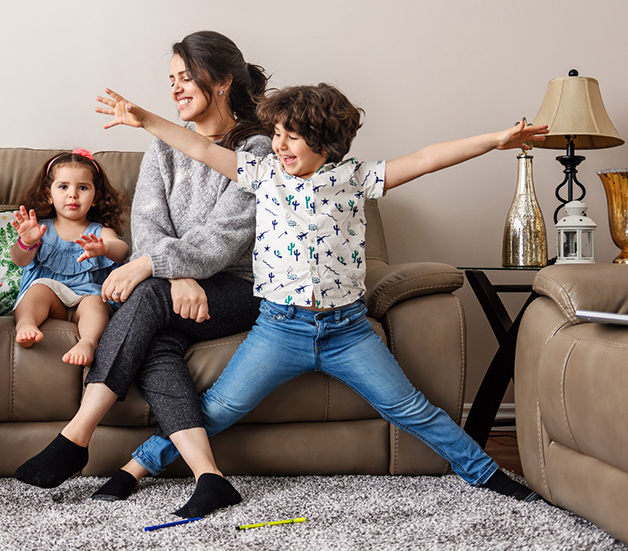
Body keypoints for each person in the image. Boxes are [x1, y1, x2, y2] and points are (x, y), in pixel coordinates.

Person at [94, 83, 548, 503]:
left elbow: (428, 157)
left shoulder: (357, 178)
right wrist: (144, 118)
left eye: (292, 137)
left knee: (410, 408)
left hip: (347, 331)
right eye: (277, 134)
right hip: (279, 329)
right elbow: (199, 147)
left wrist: (495, 140)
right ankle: (134, 468)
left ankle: (486, 473)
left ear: (325, 142)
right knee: (217, 409)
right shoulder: (262, 175)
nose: (279, 145)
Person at [14, 31, 272, 519]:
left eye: (186, 77)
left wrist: (159, 269)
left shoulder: (256, 149)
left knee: (147, 296)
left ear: (222, 82)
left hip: (239, 287)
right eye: (171, 79)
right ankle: (210, 477)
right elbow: (148, 225)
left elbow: (224, 238)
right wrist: (176, 276)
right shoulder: (164, 147)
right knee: (156, 344)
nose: (175, 88)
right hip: (177, 287)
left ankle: (77, 435)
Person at [10, 149, 129, 366]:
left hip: (86, 296)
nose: (73, 194)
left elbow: (122, 251)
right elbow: (19, 260)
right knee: (38, 290)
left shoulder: (100, 231)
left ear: (96, 197)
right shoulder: (40, 229)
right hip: (50, 299)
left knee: (96, 304)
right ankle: (26, 324)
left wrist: (104, 248)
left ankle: (88, 342)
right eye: (63, 187)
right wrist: (26, 242)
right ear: (49, 194)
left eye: (82, 187)